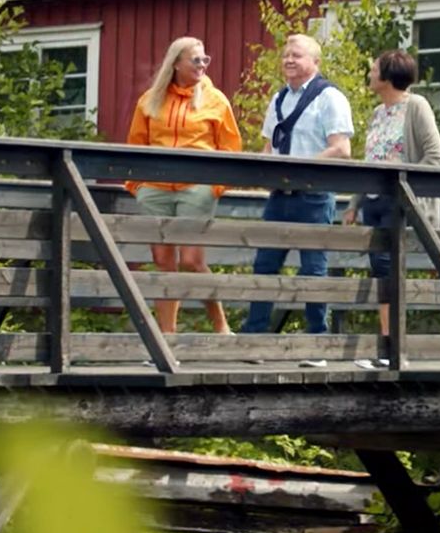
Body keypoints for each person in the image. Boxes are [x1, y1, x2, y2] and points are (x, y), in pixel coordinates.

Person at [126, 36, 243, 334]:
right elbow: (135, 144)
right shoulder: (150, 99)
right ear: (176, 63)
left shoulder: (215, 100)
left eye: (206, 59)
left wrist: (215, 186)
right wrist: (137, 185)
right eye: (196, 60)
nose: (202, 65)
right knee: (163, 262)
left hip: (197, 187)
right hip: (155, 188)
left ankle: (221, 327)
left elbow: (231, 148)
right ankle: (167, 338)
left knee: (192, 260)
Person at [241, 34, 353, 335]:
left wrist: (301, 171)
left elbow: (342, 149)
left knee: (313, 268)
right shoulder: (278, 98)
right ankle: (255, 334)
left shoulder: (330, 97)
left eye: (297, 55)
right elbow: (269, 148)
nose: (289, 60)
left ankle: (317, 336)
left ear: (315, 62)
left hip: (313, 195)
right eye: (286, 55)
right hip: (279, 195)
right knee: (265, 264)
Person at [343, 49, 440, 333]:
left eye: (375, 69)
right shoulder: (378, 112)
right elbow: (371, 159)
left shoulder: (416, 106)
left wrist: (405, 187)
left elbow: (435, 155)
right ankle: (388, 341)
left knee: (390, 270)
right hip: (373, 202)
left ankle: (393, 344)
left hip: (399, 201)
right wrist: (354, 203)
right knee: (379, 269)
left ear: (388, 76)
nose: (370, 74)